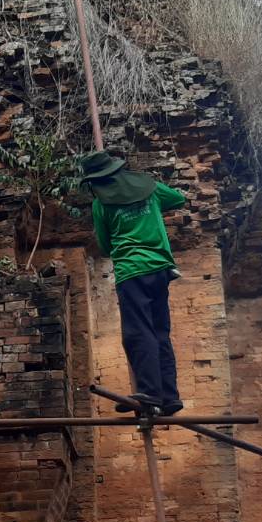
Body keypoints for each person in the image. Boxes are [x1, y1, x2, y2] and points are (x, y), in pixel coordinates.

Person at [80, 150, 188, 416]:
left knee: (138, 333)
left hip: (132, 271)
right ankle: (170, 397)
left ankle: (150, 393)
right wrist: (148, 208)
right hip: (160, 268)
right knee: (160, 331)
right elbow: (178, 198)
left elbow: (105, 246)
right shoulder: (149, 188)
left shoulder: (100, 204)